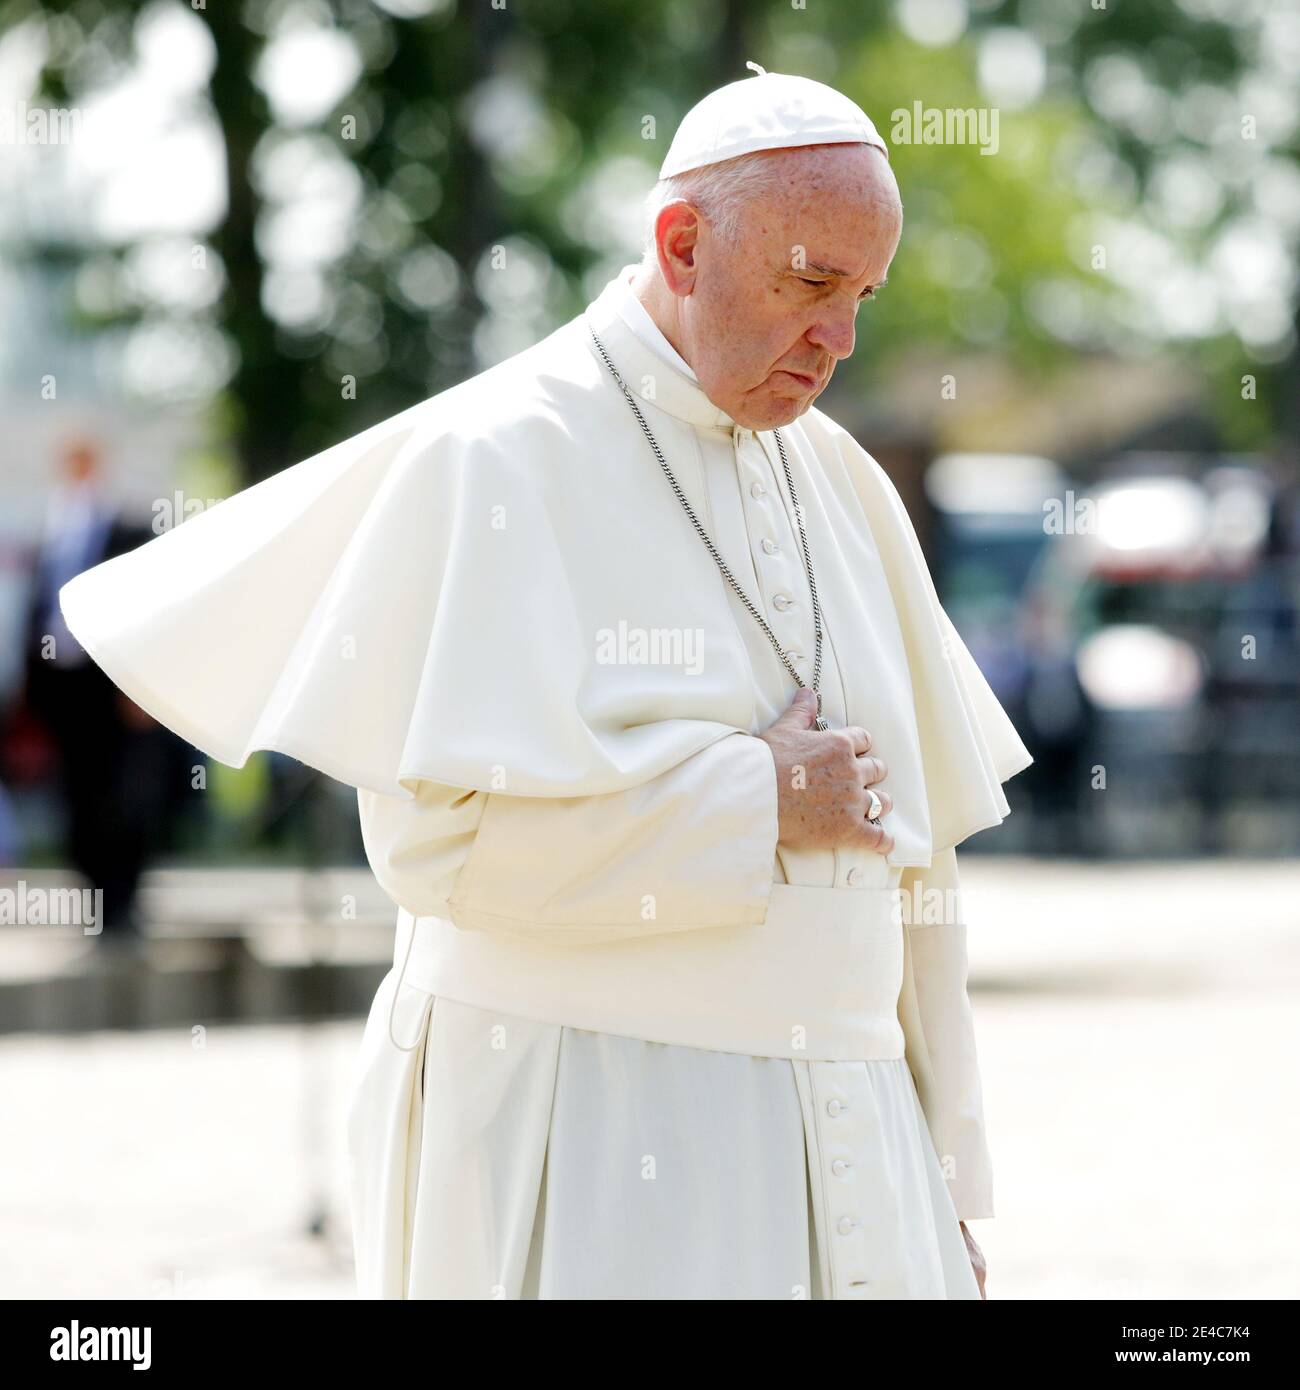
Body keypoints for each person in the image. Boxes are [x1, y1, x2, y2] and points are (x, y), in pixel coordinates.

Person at [59, 65, 1032, 1299]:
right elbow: (443, 852)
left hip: (857, 1149)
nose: (839, 339)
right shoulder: (498, 456)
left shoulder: (843, 481)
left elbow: (915, 881)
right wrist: (755, 798)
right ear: (682, 245)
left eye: (864, 296)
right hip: (596, 1125)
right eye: (809, 283)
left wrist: (947, 1186)